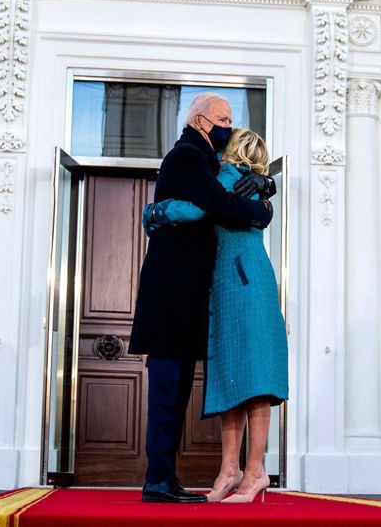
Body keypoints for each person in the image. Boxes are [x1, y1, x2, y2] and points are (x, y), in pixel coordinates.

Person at [129, 95, 275, 503]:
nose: (229, 125)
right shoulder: (188, 156)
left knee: (175, 396)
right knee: (166, 394)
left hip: (188, 297)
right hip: (171, 294)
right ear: (199, 120)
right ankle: (158, 479)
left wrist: (266, 183)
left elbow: (230, 183)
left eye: (232, 119)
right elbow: (218, 204)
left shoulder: (205, 158)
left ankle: (164, 478)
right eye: (223, 119)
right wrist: (262, 209)